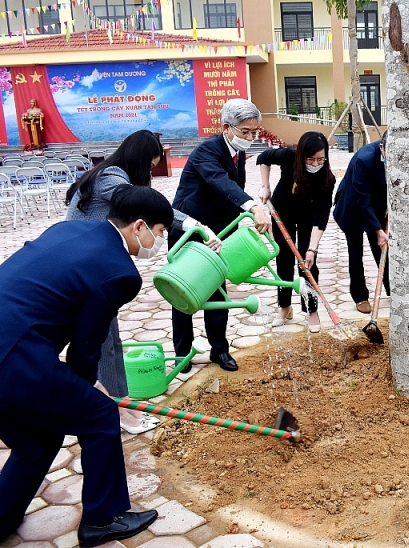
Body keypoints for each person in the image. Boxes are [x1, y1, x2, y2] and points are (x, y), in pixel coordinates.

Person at [0, 186, 173, 545]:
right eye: (160, 232)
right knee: (98, 415)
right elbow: (86, 343)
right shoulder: (120, 271)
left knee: (37, 439)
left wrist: (78, 383)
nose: (160, 242)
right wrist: (88, 384)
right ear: (139, 226)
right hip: (15, 355)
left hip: (11, 342)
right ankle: (102, 519)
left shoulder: (72, 228)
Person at [65, 129, 221, 435]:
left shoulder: (105, 173)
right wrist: (193, 223)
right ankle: (121, 413)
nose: (150, 172)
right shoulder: (112, 177)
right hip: (85, 269)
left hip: (87, 263)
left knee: (106, 342)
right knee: (105, 345)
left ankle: (114, 407)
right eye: (150, 165)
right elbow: (138, 202)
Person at [171, 98, 271, 374]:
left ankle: (219, 349)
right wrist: (254, 206)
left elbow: (230, 191)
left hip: (220, 232)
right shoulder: (207, 151)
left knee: (217, 290)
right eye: (246, 132)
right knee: (184, 290)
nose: (251, 137)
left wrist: (244, 219)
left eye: (255, 132)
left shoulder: (237, 154)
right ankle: (182, 353)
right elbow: (221, 183)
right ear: (227, 127)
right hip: (190, 228)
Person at [257, 131, 336, 332]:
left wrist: (312, 249)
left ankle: (311, 310)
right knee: (283, 261)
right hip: (282, 214)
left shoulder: (327, 178)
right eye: (311, 159)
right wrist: (265, 186)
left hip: (308, 219)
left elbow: (322, 215)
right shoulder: (289, 156)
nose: (316, 163)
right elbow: (263, 158)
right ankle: (284, 307)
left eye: (321, 159)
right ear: (301, 155)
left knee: (307, 265)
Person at [332, 135, 390, 313]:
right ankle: (360, 297)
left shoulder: (401, 155)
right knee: (355, 253)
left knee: (383, 250)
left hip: (378, 206)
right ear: (382, 148)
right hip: (353, 207)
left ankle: (393, 288)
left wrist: (389, 205)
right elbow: (362, 200)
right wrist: (378, 230)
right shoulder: (364, 160)